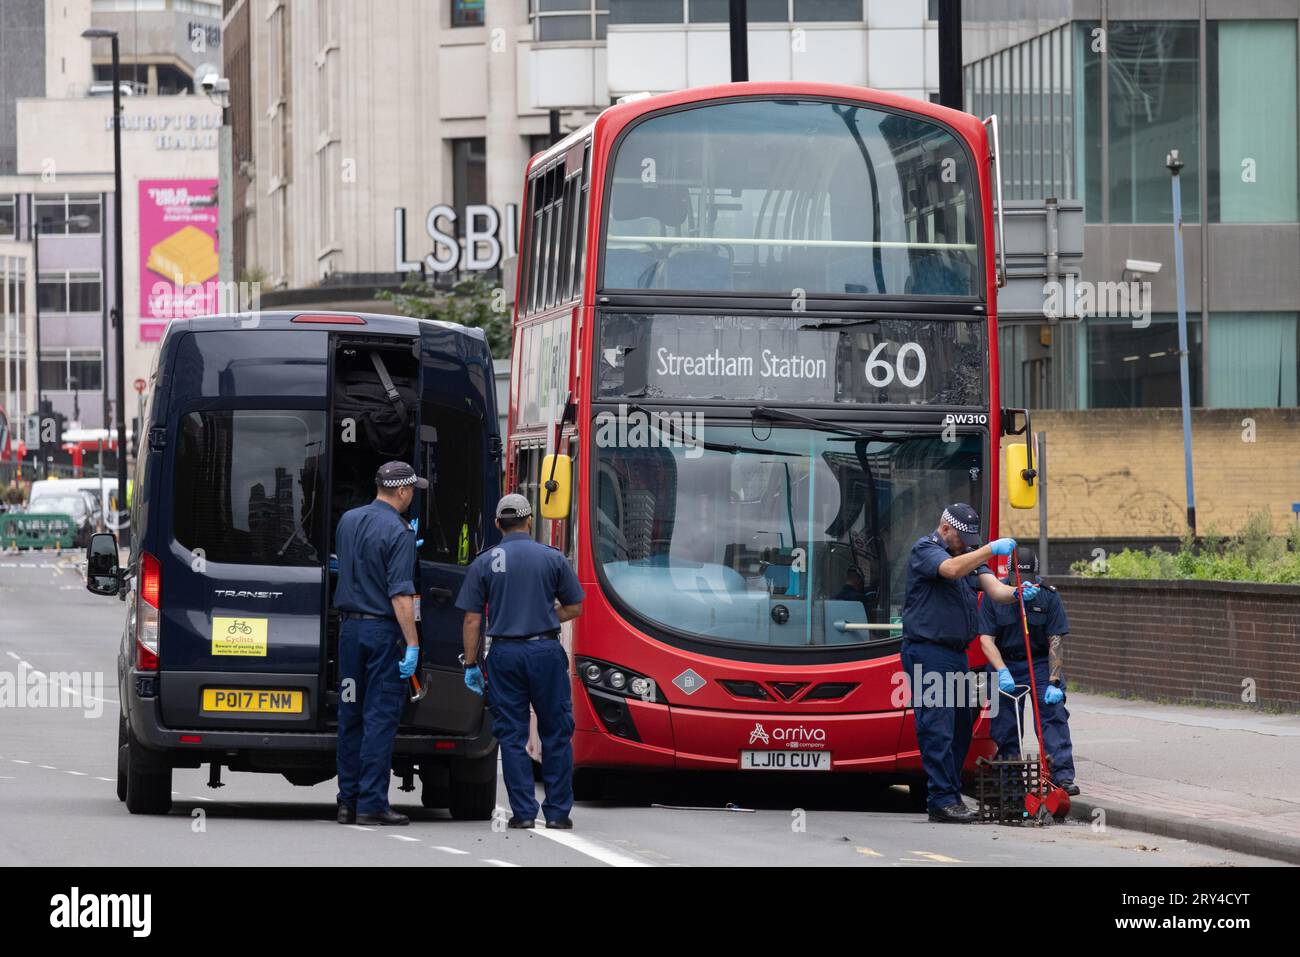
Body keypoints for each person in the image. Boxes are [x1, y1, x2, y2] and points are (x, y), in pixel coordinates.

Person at [900, 503, 1038, 824]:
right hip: (928, 651)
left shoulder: (968, 555)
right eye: (962, 537)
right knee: (937, 727)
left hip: (956, 654)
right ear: (945, 528)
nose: (967, 543)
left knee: (962, 725)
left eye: (971, 539)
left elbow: (994, 590)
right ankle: (942, 800)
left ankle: (951, 794)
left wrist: (1017, 593)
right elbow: (950, 570)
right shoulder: (927, 550)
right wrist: (990, 548)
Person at [456, 493, 585, 829]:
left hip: (504, 655)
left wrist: (471, 664)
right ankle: (557, 814)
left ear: (499, 524)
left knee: (511, 735)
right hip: (544, 652)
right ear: (530, 521)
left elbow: (472, 620)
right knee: (556, 732)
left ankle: (524, 814)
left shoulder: (484, 562)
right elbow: (574, 607)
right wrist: (545, 615)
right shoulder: (552, 558)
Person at [333, 461, 426, 826]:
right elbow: (401, 595)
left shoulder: (348, 521)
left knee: (349, 716)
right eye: (412, 491)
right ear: (401, 491)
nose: (412, 497)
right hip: (382, 635)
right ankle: (372, 803)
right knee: (379, 719)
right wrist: (413, 644)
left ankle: (347, 801)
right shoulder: (400, 532)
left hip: (349, 634)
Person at [978, 547, 1078, 796]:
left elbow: (1055, 641)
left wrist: (1054, 682)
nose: (1025, 583)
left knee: (1052, 715)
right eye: (1019, 579)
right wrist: (1002, 671)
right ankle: (1011, 781)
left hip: (1040, 663)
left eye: (1030, 578)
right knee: (1005, 723)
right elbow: (986, 640)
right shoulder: (994, 596)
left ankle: (1060, 777)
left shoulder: (1048, 597)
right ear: (1009, 574)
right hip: (1005, 663)